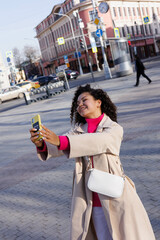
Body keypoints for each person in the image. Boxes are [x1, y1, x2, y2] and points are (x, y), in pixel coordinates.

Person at [30, 84, 155, 240]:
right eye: (77, 104)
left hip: (114, 196)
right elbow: (59, 147)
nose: (80, 105)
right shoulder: (77, 131)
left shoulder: (114, 128)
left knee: (126, 234)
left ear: (98, 102)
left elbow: (98, 141)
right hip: (89, 198)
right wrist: (41, 144)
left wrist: (61, 140)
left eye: (84, 100)